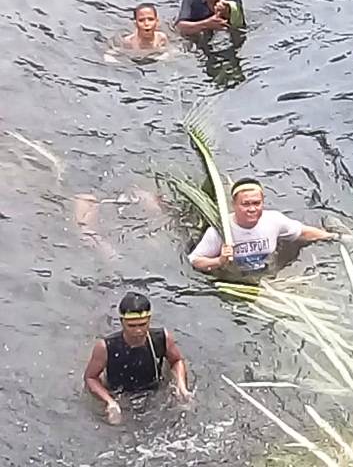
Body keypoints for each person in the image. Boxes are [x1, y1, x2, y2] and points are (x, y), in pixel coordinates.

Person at [188, 178, 339, 274]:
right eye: (245, 204)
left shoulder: (273, 221)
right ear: (234, 205)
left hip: (266, 274)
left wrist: (333, 237)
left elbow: (303, 233)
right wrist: (219, 261)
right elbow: (194, 260)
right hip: (232, 279)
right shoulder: (219, 231)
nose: (252, 209)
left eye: (256, 203)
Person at [83, 292, 190, 425]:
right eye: (132, 326)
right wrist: (109, 401)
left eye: (143, 324)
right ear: (122, 323)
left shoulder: (162, 338)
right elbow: (90, 378)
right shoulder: (106, 347)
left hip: (153, 392)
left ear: (149, 320)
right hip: (120, 395)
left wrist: (180, 385)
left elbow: (177, 361)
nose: (138, 331)